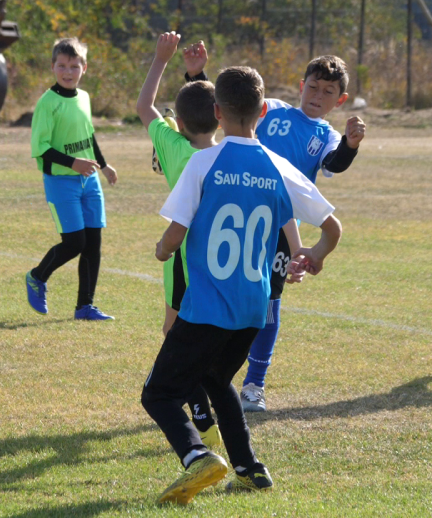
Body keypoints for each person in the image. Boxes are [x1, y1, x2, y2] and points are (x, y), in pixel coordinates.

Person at [142, 66, 342, 504]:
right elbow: (332, 226)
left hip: (206, 307)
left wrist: (160, 250)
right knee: (217, 379)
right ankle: (250, 469)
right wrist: (315, 256)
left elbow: (174, 236)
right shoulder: (278, 166)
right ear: (264, 110)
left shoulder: (203, 162)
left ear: (217, 113)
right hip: (254, 308)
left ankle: (197, 456)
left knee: (158, 393)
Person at [237, 55, 366, 413]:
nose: (317, 95)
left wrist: (351, 145)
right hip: (239, 216)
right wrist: (196, 75)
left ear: (339, 100)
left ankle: (254, 385)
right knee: (229, 293)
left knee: (269, 303)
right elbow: (233, 108)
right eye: (313, 86)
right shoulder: (273, 109)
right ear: (301, 86)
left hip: (280, 228)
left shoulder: (327, 136)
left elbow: (334, 163)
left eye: (328, 91)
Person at [135, 32, 222, 451]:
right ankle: (205, 408)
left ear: (180, 124)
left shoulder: (173, 146)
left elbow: (143, 107)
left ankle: (201, 414)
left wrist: (160, 60)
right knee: (203, 336)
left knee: (175, 337)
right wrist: (196, 73)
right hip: (223, 262)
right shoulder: (230, 151)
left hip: (184, 258)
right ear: (220, 117)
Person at [25, 38, 118, 320]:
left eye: (74, 66)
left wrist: (103, 165)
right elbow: (41, 148)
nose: (68, 72)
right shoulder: (47, 103)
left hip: (89, 180)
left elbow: (89, 136)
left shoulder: (85, 97)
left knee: (93, 243)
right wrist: (73, 163)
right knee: (74, 242)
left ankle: (84, 306)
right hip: (60, 181)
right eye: (62, 66)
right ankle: (37, 276)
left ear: (84, 68)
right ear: (53, 67)